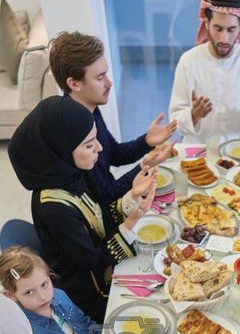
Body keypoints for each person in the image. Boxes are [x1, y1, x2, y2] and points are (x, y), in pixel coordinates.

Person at [8, 95, 156, 323]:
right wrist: (130, 222)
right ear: (61, 150)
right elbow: (95, 260)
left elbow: (98, 217)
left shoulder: (71, 173)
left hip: (104, 268)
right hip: (90, 296)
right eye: (89, 144)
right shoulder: (54, 208)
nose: (98, 148)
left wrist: (132, 197)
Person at [49, 31, 177, 208]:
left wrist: (147, 141)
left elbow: (114, 154)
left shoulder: (89, 110)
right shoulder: (73, 136)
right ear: (74, 84)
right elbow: (105, 196)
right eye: (100, 77)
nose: (109, 83)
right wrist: (144, 166)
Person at [169, 0, 240, 143]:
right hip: (197, 155)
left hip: (238, 154)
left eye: (231, 30)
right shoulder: (189, 61)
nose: (224, 38)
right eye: (218, 28)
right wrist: (193, 115)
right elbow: (176, 121)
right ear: (207, 24)